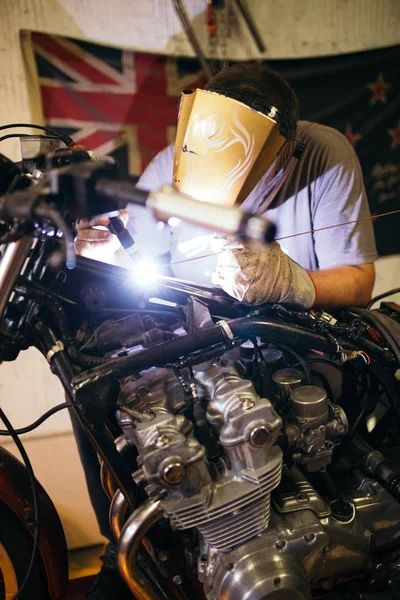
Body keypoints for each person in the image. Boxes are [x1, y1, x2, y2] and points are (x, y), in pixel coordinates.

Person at [73, 63, 377, 598]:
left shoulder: (324, 153)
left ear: (285, 155)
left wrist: (293, 282)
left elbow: (359, 282)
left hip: (296, 361)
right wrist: (108, 257)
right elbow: (137, 270)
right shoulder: (171, 167)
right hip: (199, 356)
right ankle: (137, 549)